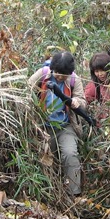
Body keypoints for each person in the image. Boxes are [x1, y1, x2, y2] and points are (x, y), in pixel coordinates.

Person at [28, 51, 88, 196]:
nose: (60, 77)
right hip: (44, 125)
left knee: (70, 154)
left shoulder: (74, 80)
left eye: (64, 75)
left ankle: (74, 194)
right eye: (57, 73)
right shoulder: (42, 74)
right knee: (47, 157)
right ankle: (49, 193)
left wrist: (76, 102)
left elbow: (83, 101)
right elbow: (26, 90)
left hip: (65, 125)